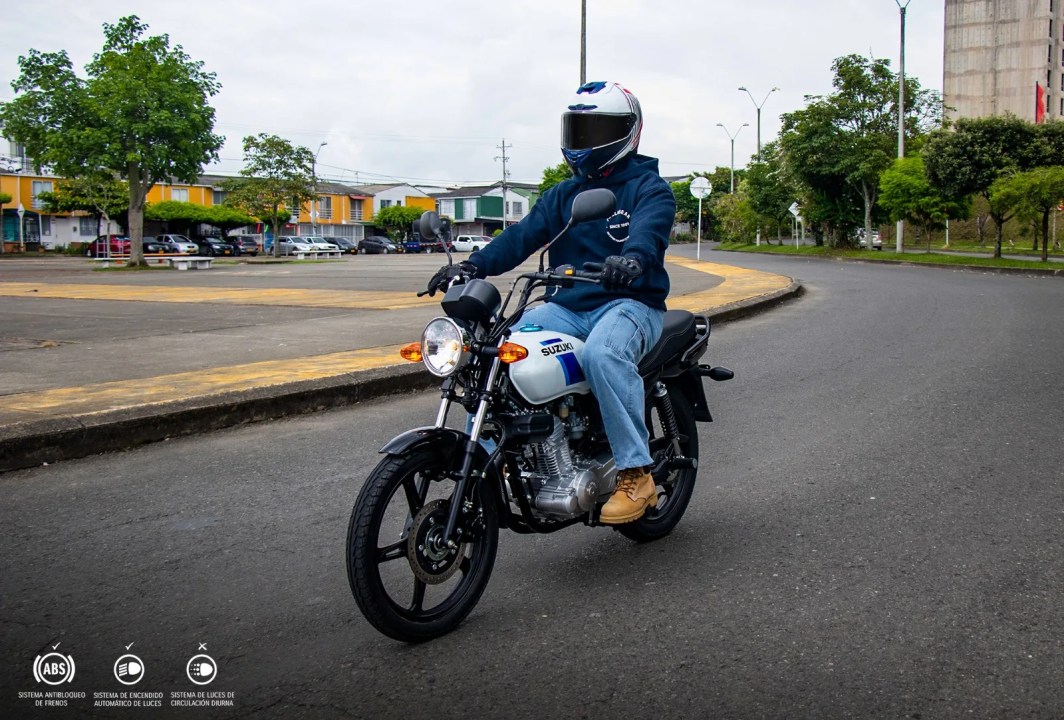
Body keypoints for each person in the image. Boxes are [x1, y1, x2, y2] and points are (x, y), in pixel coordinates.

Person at [426, 81, 675, 524]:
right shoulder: (561, 196)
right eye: (580, 129)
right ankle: (492, 457)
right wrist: (471, 267)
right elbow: (520, 238)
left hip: (630, 305)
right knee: (496, 349)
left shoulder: (648, 188)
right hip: (567, 307)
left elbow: (648, 235)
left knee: (604, 353)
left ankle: (637, 473)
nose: (586, 141)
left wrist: (633, 260)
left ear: (628, 132)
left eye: (598, 129)